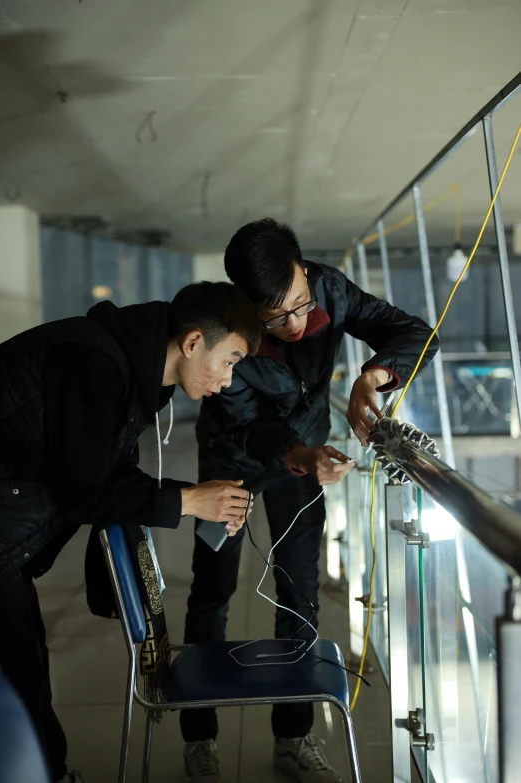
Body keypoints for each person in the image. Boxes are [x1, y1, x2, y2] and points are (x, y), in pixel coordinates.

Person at [181, 219, 439, 783]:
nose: (298, 324)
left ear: (304, 269)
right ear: (250, 309)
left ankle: (292, 738)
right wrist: (300, 455)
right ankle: (198, 737)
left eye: (301, 303)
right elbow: (249, 430)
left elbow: (418, 332)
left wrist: (374, 374)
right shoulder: (231, 332)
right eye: (278, 316)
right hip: (231, 464)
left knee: (300, 592)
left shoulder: (329, 287)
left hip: (307, 457)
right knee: (212, 591)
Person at [0, 281, 260, 783]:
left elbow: (108, 475)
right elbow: (84, 490)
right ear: (191, 342)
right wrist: (187, 501)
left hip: (9, 537)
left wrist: (198, 497)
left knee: (25, 666)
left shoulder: (133, 375)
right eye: (228, 360)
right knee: (18, 672)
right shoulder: (93, 363)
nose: (227, 380)